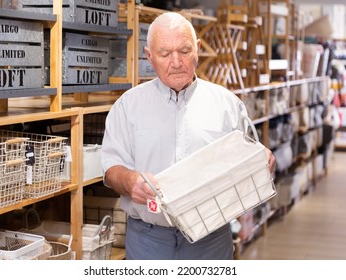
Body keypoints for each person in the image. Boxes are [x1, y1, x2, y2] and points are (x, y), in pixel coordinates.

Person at [101, 12, 276, 260]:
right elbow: (110, 170)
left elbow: (249, 158)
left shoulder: (226, 104)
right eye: (164, 53)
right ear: (149, 56)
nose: (176, 62)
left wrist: (262, 159)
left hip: (211, 240)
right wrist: (129, 181)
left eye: (184, 51)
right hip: (149, 239)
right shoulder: (128, 106)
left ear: (198, 49)